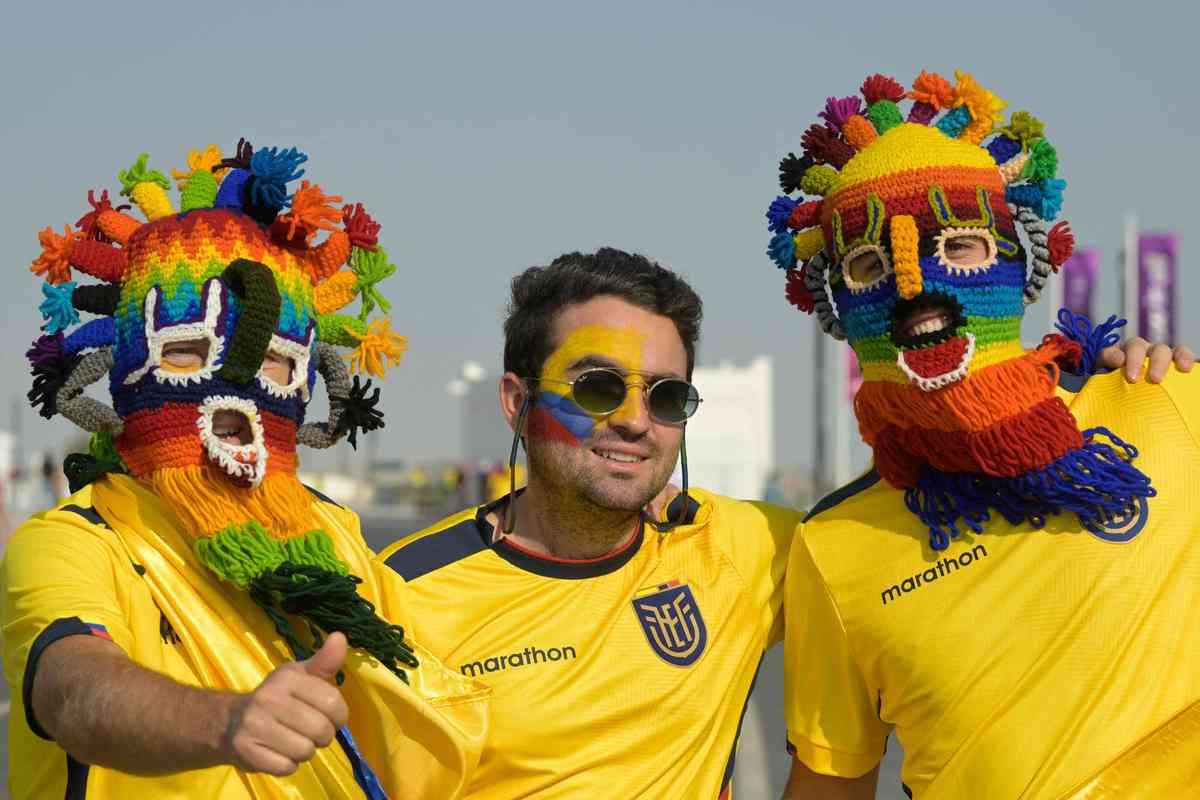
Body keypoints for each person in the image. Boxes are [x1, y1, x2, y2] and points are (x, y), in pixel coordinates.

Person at [760, 70, 1199, 798]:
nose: (914, 287)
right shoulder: (832, 548)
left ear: (1019, 260)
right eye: (870, 263)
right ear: (834, 307)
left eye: (956, 246)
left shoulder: (1165, 400)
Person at [2, 142, 488, 799]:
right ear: (122, 371)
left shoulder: (334, 537)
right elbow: (74, 690)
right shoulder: (74, 542)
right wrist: (227, 722)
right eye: (186, 353)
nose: (235, 400)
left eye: (277, 367)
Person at [374, 248, 803, 797]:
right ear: (516, 401)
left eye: (666, 397)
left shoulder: (739, 547)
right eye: (597, 387)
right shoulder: (400, 593)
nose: (633, 421)